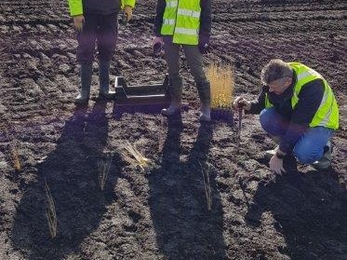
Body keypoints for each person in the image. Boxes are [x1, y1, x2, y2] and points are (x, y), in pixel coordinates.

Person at [233, 59, 339, 173]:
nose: (270, 90)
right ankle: (287, 149)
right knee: (267, 117)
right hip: (295, 117)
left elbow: (299, 123)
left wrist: (279, 156)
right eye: (269, 87)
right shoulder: (275, 78)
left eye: (274, 88)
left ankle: (325, 148)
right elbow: (261, 102)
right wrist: (248, 105)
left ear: (288, 82)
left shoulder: (312, 85)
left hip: (319, 123)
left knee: (304, 154)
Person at [153, 0, 212, 121]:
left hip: (190, 36)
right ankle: (175, 103)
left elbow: (206, 14)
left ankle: (206, 107)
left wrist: (204, 37)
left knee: (198, 72)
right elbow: (160, 9)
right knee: (172, 70)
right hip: (169, 33)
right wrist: (157, 34)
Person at [67, 0, 136, 104]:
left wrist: (128, 5)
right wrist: (77, 12)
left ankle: (105, 89)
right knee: (86, 48)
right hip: (88, 13)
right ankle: (84, 92)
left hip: (111, 13)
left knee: (107, 48)